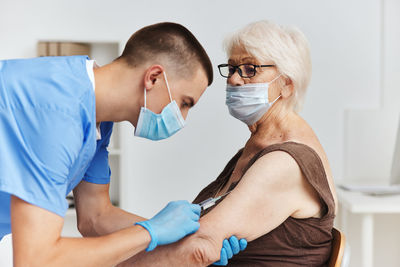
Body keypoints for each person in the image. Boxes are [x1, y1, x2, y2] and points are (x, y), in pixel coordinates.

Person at [0, 22, 245, 266]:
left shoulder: (95, 115)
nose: (182, 118)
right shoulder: (59, 113)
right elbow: (36, 259)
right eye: (184, 103)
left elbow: (95, 217)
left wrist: (188, 240)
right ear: (154, 77)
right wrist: (150, 232)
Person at [117, 20, 338, 267]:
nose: (234, 79)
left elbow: (199, 247)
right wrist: (151, 232)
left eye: (250, 69)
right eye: (232, 68)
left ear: (286, 84)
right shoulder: (257, 147)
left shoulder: (285, 163)